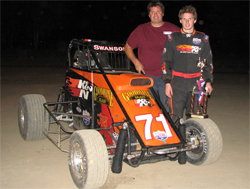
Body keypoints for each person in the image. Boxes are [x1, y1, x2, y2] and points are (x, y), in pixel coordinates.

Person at [125, 1, 179, 112]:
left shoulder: (173, 29)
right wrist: (136, 62)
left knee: (167, 109)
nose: (155, 14)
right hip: (146, 76)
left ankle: (168, 127)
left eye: (158, 11)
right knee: (147, 108)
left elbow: (185, 45)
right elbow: (127, 47)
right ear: (149, 15)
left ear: (163, 13)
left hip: (167, 77)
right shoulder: (141, 29)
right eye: (152, 12)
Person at [161, 5, 214, 121]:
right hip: (177, 83)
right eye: (184, 19)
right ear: (180, 20)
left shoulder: (203, 39)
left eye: (190, 19)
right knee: (175, 117)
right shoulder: (172, 38)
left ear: (195, 20)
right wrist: (167, 83)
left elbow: (208, 63)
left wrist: (208, 82)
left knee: (194, 117)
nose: (187, 22)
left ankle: (191, 138)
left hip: (195, 84)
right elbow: (166, 62)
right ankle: (177, 139)